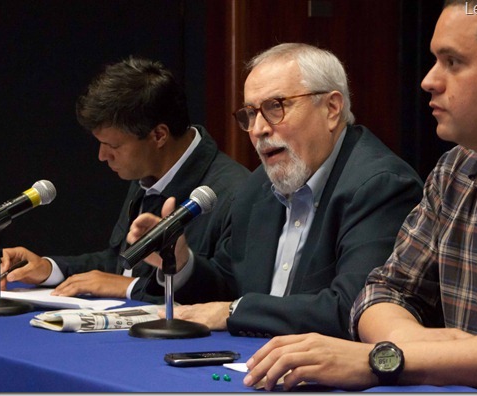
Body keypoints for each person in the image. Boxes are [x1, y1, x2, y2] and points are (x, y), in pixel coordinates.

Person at [242, 0, 477, 391]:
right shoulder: (454, 172)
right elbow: (382, 292)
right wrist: (425, 347)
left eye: (452, 62)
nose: (428, 80)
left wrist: (387, 359)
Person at [127, 43, 424, 339]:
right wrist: (182, 264)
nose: (258, 129)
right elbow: (229, 283)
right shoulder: (257, 188)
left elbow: (355, 307)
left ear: (332, 109)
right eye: (251, 114)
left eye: (275, 107)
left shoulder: (381, 186)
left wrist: (234, 312)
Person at [0, 56, 250, 303]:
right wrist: (49, 268)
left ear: (159, 135)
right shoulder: (149, 167)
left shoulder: (238, 193)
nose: (102, 156)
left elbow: (229, 294)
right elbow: (121, 264)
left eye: (112, 145)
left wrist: (131, 287)